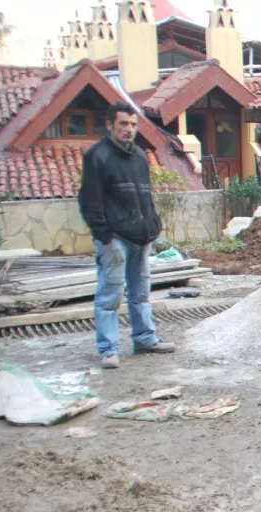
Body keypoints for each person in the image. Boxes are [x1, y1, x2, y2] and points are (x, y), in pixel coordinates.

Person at [77, 102, 175, 368]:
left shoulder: (140, 156)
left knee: (141, 292)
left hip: (140, 236)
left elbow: (145, 196)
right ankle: (108, 349)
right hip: (115, 238)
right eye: (123, 124)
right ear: (109, 125)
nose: (128, 129)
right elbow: (90, 200)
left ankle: (145, 339)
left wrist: (153, 225)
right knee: (110, 295)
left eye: (133, 124)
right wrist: (104, 235)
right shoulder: (98, 156)